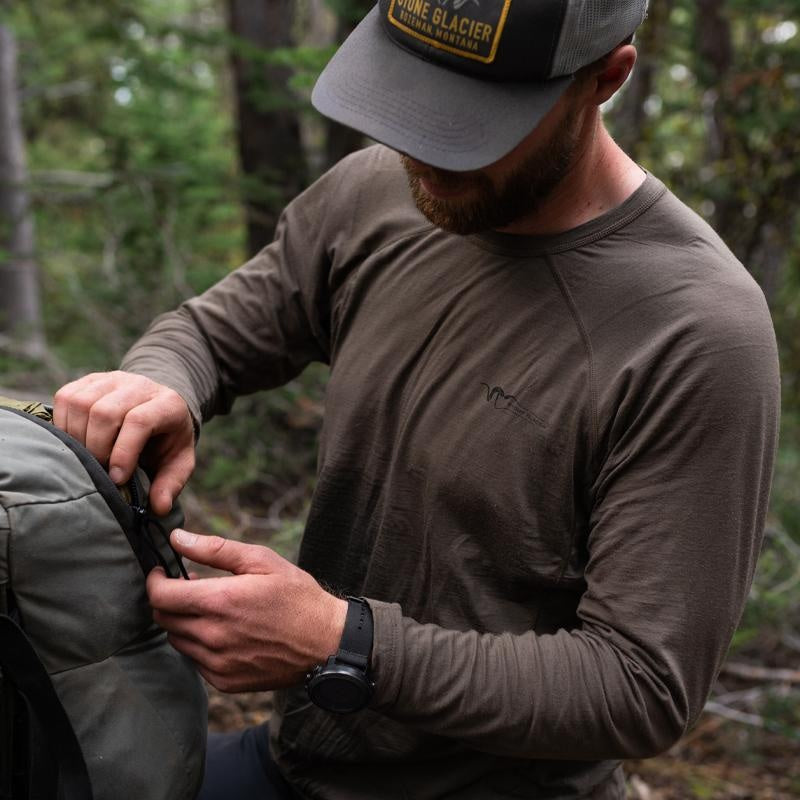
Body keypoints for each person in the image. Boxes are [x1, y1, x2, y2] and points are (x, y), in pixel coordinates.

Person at [54, 1, 780, 798]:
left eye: (473, 121)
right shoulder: (377, 191)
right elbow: (215, 333)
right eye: (411, 96)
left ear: (605, 77)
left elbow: (640, 686)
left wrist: (343, 642)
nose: (423, 152)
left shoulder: (694, 330)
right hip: (300, 763)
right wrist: (162, 384)